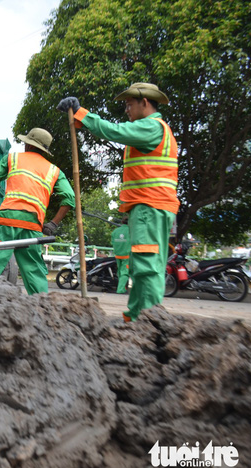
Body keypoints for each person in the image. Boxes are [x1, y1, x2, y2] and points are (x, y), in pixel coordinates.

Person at [58, 82, 178, 322]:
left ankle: (148, 322)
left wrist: (82, 114)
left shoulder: (151, 127)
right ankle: (135, 317)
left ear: (144, 102)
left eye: (129, 104)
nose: (126, 109)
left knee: (146, 266)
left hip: (149, 206)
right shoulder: (156, 130)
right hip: (152, 207)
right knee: (144, 264)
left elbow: (115, 131)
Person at [0, 128, 75, 295]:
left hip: (8, 220)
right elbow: (70, 199)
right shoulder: (54, 171)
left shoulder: (13, 158)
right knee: (34, 270)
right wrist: (52, 224)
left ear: (29, 144)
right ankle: (42, 306)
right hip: (32, 226)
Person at [111, 215, 130, 294]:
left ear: (122, 222)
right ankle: (120, 289)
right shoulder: (132, 231)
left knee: (120, 272)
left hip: (118, 255)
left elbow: (112, 242)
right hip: (127, 255)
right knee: (125, 272)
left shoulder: (115, 231)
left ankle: (123, 287)